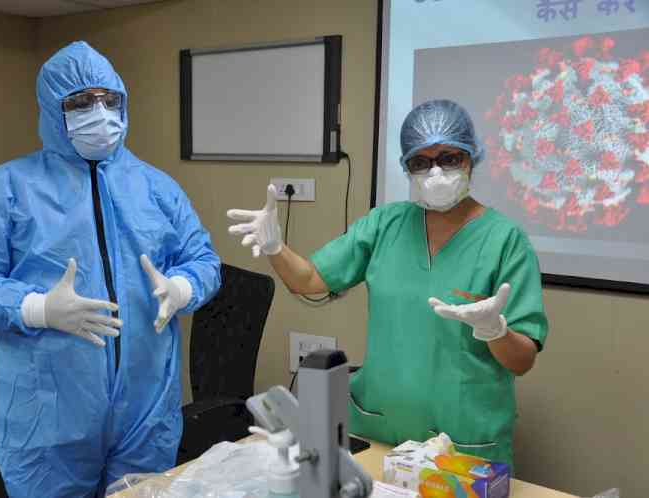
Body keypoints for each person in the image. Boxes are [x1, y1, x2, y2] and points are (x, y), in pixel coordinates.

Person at [0, 41, 221, 497]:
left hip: (145, 413)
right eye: (80, 102)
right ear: (53, 109)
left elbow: (203, 259)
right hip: (49, 421)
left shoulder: (157, 188)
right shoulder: (8, 189)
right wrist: (36, 308)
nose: (100, 112)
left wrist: (184, 287)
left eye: (110, 100)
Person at [227, 99, 548, 468]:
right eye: (421, 162)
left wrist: (495, 330)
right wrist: (275, 247)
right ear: (406, 167)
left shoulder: (505, 240)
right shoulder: (386, 224)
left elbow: (522, 360)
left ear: (472, 157)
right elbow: (311, 280)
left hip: (464, 441)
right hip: (380, 432)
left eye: (449, 158)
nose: (436, 172)